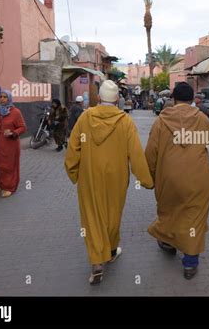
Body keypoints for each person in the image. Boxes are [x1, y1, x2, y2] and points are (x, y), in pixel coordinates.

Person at [65, 80, 153, 285]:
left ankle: (97, 262)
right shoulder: (125, 121)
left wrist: (73, 171)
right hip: (116, 178)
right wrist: (147, 180)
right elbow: (136, 154)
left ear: (98, 98)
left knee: (92, 217)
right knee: (113, 215)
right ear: (117, 100)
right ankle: (111, 251)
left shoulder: (85, 118)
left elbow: (73, 147)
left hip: (89, 177)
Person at [145, 82, 209, 280]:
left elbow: (151, 153)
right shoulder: (201, 119)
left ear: (173, 99)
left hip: (168, 178)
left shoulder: (161, 121)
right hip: (198, 179)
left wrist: (150, 178)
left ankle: (168, 243)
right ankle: (190, 264)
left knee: (169, 211)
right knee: (194, 217)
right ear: (193, 99)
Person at [0, 89, 27, 198]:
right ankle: (0, 184)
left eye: (5, 97)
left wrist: (13, 133)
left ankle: (9, 187)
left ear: (9, 98)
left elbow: (23, 127)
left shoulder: (15, 112)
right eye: (1, 97)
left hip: (10, 145)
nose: (2, 99)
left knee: (8, 166)